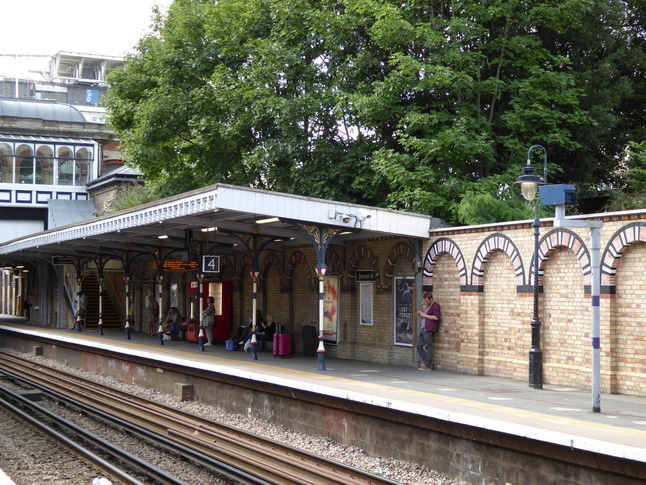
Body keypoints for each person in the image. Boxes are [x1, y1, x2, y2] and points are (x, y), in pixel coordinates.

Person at [416, 292, 441, 371]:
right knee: (419, 346)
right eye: (424, 301)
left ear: (431, 299)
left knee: (428, 346)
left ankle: (428, 365)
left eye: (427, 301)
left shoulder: (435, 306)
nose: (425, 303)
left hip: (429, 328)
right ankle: (427, 362)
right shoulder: (428, 307)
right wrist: (421, 314)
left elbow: (436, 317)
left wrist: (425, 315)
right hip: (423, 328)